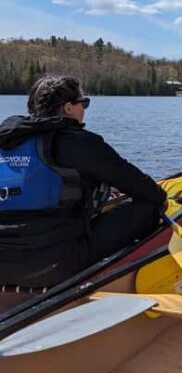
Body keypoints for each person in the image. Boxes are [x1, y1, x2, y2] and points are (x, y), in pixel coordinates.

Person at [0, 75, 166, 288]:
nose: (84, 109)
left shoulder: (7, 140)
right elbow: (144, 189)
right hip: (54, 265)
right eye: (83, 103)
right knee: (148, 208)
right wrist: (161, 199)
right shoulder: (79, 141)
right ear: (68, 108)